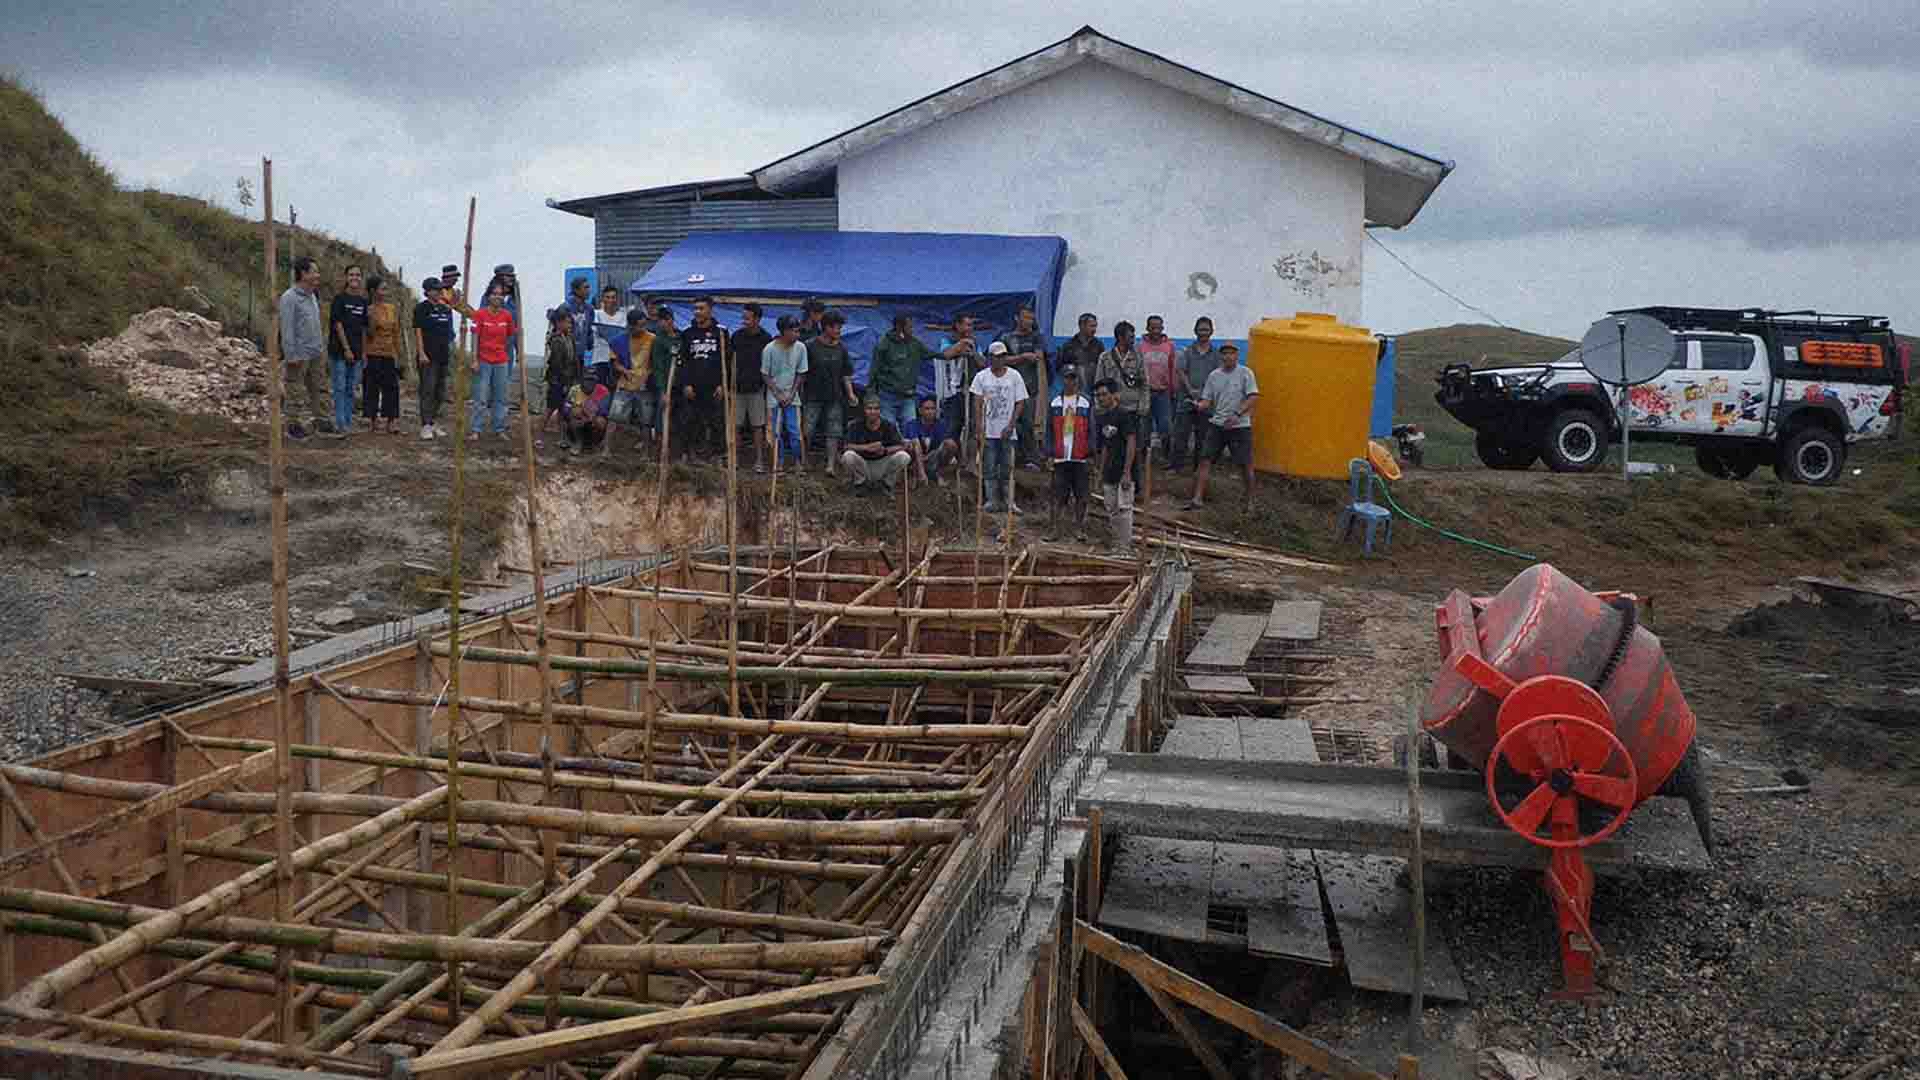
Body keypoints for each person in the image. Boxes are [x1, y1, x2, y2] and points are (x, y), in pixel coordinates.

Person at [1186, 343, 1260, 512]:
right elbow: (1207, 399)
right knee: (1205, 461)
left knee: (1245, 465)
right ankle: (1197, 499)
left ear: (1237, 355)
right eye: (1225, 353)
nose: (1228, 356)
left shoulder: (1245, 373)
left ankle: (1250, 502)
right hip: (1217, 425)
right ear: (1221, 356)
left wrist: (1237, 414)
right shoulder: (1214, 376)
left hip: (1240, 426)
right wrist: (1200, 405)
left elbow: (1253, 397)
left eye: (1231, 353)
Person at [969, 340, 1029, 514]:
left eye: (1002, 356)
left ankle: (1010, 501)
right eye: (995, 357)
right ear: (990, 358)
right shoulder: (981, 377)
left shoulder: (1014, 376)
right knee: (989, 467)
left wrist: (1011, 425)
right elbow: (977, 404)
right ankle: (992, 501)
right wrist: (979, 429)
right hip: (988, 431)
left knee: (1007, 468)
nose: (999, 360)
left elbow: (1020, 402)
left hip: (1008, 431)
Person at [277, 255, 328, 438]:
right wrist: (291, 355)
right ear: (303, 273)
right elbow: (286, 328)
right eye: (314, 271)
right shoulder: (289, 298)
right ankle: (292, 425)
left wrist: (321, 347)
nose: (317, 275)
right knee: (295, 391)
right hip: (299, 353)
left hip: (316, 352)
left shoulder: (312, 296)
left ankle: (322, 421)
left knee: (319, 388)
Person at [802, 311, 856, 476]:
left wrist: (850, 393)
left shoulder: (841, 348)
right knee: (807, 429)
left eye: (840, 328)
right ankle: (803, 461)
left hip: (834, 396)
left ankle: (830, 465)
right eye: (836, 328)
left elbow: (846, 374)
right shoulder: (810, 346)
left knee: (834, 430)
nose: (839, 331)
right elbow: (802, 372)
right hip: (812, 396)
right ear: (826, 328)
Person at [997, 305, 1050, 470]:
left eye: (1031, 319)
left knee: (1028, 424)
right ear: (1016, 318)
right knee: (1008, 424)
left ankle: (1032, 459)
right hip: (1008, 389)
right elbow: (999, 360)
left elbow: (1040, 356)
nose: (1029, 321)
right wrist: (1022, 357)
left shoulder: (1037, 337)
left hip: (1029, 389)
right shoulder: (1006, 338)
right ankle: (1008, 457)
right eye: (1026, 318)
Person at [1046, 365, 1094, 541]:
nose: (1070, 381)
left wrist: (1090, 454)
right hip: (1060, 457)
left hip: (1080, 457)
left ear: (1077, 380)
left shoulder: (1086, 402)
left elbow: (1092, 430)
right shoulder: (1054, 402)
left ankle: (1080, 529)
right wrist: (1049, 454)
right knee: (1057, 496)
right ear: (1062, 379)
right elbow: (1048, 430)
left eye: (1073, 377)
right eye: (1067, 377)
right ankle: (1054, 530)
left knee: (1081, 495)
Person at [678, 296, 729, 456]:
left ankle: (717, 456)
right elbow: (683, 362)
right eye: (695, 309)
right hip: (693, 387)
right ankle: (689, 454)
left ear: (710, 310)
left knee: (716, 422)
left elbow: (726, 360)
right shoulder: (687, 333)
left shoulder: (721, 332)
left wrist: (722, 384)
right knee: (690, 421)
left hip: (714, 387)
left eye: (701, 308)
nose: (697, 312)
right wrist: (686, 384)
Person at [600, 308, 654, 458]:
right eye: (640, 325)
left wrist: (648, 375)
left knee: (646, 421)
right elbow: (615, 362)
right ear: (631, 326)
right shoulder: (618, 341)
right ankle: (606, 450)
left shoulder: (652, 339)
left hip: (644, 386)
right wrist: (624, 371)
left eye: (644, 325)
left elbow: (656, 363)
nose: (643, 328)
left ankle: (646, 454)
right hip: (624, 385)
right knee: (614, 418)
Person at [1093, 378, 1139, 554]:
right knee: (1111, 509)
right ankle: (1117, 544)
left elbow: (1131, 442)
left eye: (1104, 394)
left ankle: (1125, 547)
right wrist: (1100, 472)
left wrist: (1127, 472)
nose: (1101, 398)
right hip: (1109, 471)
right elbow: (1104, 446)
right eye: (1098, 395)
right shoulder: (1102, 417)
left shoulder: (1124, 415)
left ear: (1114, 395)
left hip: (1124, 470)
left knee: (1125, 509)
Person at [1170, 316, 1220, 473]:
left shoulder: (1216, 354)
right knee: (1181, 435)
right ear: (1195, 331)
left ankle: (1198, 468)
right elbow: (1181, 371)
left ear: (1211, 331)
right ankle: (1176, 466)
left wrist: (1204, 393)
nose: (1203, 332)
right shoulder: (1187, 352)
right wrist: (1190, 389)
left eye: (1206, 329)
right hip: (1186, 399)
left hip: (1206, 401)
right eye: (1200, 329)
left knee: (1203, 437)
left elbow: (1217, 375)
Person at [467, 283, 516, 440]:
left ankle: (499, 428)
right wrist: (474, 359)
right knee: (480, 396)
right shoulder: (480, 315)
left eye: (500, 294)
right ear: (488, 296)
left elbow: (511, 335)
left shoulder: (507, 316)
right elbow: (474, 336)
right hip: (483, 360)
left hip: (501, 361)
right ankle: (476, 429)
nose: (497, 297)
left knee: (501, 396)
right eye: (494, 294)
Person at [327, 265, 369, 438]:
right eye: (351, 275)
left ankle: (348, 422)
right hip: (339, 352)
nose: (355, 278)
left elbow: (364, 329)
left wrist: (364, 352)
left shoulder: (363, 302)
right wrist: (346, 349)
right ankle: (340, 423)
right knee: (339, 387)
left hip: (358, 352)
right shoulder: (339, 299)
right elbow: (337, 325)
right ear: (346, 278)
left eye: (358, 275)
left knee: (351, 388)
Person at [762, 315, 808, 470]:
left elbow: (801, 373)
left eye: (798, 331)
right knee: (775, 432)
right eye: (794, 331)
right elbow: (765, 375)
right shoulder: (769, 349)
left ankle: (798, 462)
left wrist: (791, 394)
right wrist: (778, 394)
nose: (797, 334)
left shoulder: (801, 348)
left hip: (792, 398)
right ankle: (778, 462)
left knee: (794, 432)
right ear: (784, 332)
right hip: (774, 398)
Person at [839, 396, 912, 493]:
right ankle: (860, 483)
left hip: (882, 463)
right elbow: (846, 446)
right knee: (847, 456)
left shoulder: (888, 426)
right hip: (863, 463)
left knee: (904, 456)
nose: (873, 412)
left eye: (876, 409)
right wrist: (867, 447)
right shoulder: (856, 425)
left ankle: (886, 484)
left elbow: (900, 445)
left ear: (880, 410)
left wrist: (885, 450)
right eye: (869, 408)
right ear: (864, 410)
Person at [731, 302, 772, 472]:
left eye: (747, 318)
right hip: (737, 388)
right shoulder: (737, 336)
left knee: (757, 426)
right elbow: (730, 361)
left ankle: (759, 460)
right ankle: (735, 460)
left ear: (757, 319)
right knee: (736, 426)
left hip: (756, 389)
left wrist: (765, 387)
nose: (744, 321)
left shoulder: (766, 338)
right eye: (743, 318)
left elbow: (768, 366)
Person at [412, 276, 454, 439]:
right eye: (436, 289)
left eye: (440, 289)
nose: (439, 292)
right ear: (428, 291)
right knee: (427, 390)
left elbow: (449, 333)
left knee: (440, 391)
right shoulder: (421, 308)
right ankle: (425, 424)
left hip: (443, 355)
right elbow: (418, 330)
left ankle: (433, 421)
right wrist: (421, 352)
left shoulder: (446, 310)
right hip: (428, 356)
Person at [870, 314, 927, 434]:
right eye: (909, 327)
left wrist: (955, 349)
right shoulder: (884, 344)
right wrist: (872, 394)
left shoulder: (914, 343)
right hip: (887, 396)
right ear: (900, 327)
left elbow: (935, 353)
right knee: (889, 430)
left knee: (910, 430)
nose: (912, 330)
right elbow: (874, 371)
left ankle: (912, 452)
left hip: (908, 396)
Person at [361, 275, 403, 434]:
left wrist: (398, 354)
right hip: (373, 352)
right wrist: (364, 353)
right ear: (373, 291)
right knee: (371, 387)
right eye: (382, 288)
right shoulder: (368, 309)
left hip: (389, 352)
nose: (385, 291)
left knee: (391, 387)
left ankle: (391, 421)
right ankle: (373, 419)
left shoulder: (392, 309)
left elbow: (396, 332)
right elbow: (367, 334)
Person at [1094, 320, 1150, 440]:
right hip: (1111, 409)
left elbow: (1145, 383)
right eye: (1130, 337)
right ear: (1120, 337)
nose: (1133, 339)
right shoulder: (1105, 357)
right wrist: (1100, 407)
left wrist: (1143, 406)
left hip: (1133, 409)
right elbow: (1098, 383)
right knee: (1111, 443)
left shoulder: (1138, 357)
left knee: (1134, 443)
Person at [928, 314, 979, 446]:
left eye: (971, 325)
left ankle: (968, 460)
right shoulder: (946, 341)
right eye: (967, 325)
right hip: (951, 393)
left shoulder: (974, 343)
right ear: (958, 325)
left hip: (971, 392)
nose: (970, 328)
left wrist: (974, 353)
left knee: (972, 427)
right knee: (952, 427)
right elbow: (946, 354)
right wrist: (963, 343)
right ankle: (949, 458)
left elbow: (983, 364)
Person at [1139, 314, 1177, 466]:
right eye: (1152, 327)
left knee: (1165, 426)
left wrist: (1173, 389)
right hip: (1145, 393)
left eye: (1158, 327)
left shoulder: (1169, 346)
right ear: (1147, 328)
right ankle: (1143, 458)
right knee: (1144, 427)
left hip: (1163, 393)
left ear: (1162, 328)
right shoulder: (1140, 346)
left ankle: (1166, 457)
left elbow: (1172, 368)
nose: (1156, 330)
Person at [648, 304, 684, 459]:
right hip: (665, 386)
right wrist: (662, 390)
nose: (663, 323)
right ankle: (661, 451)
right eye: (660, 321)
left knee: (679, 418)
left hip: (679, 384)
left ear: (671, 320)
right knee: (661, 418)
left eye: (666, 320)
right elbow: (657, 367)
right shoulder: (658, 341)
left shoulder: (680, 337)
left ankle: (678, 451)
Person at [542, 307, 579, 449]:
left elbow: (573, 360)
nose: (569, 326)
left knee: (562, 409)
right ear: (558, 323)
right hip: (558, 380)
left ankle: (561, 437)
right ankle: (540, 435)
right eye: (567, 323)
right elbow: (557, 364)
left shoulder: (569, 338)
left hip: (567, 379)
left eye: (570, 323)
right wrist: (563, 381)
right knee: (551, 408)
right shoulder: (556, 340)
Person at [903, 395, 959, 487]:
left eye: (933, 408)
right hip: (915, 460)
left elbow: (942, 446)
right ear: (920, 411)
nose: (930, 411)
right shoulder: (912, 424)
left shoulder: (941, 424)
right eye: (927, 409)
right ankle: (918, 474)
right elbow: (915, 444)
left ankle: (937, 473)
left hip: (931, 459)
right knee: (912, 445)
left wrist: (926, 458)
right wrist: (922, 471)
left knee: (950, 444)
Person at [586, 286, 626, 387]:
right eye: (607, 297)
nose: (611, 300)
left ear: (617, 299)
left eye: (613, 297)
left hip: (619, 361)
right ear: (603, 299)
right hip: (600, 359)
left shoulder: (624, 315)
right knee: (601, 392)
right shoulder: (595, 314)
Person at [1058, 313, 1103, 394]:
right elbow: (1061, 368)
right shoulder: (1069, 346)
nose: (1094, 329)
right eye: (1091, 326)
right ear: (1082, 326)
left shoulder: (1099, 345)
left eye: (1095, 326)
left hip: (1095, 391)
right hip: (1075, 391)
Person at [563, 275, 595, 368]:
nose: (589, 290)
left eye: (588, 287)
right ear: (576, 290)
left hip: (581, 354)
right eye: (585, 287)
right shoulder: (566, 307)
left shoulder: (589, 309)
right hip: (566, 353)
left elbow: (589, 329)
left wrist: (590, 343)